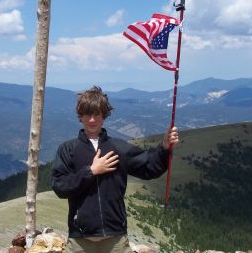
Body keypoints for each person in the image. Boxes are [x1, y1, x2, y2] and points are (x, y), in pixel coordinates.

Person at [50, 86, 179, 253]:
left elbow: (149, 168)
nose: (92, 120)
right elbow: (60, 187)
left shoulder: (118, 148)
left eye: (96, 114)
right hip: (80, 239)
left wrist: (164, 147)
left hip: (115, 238)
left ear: (104, 115)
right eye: (87, 114)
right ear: (80, 116)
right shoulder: (68, 150)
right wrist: (91, 171)